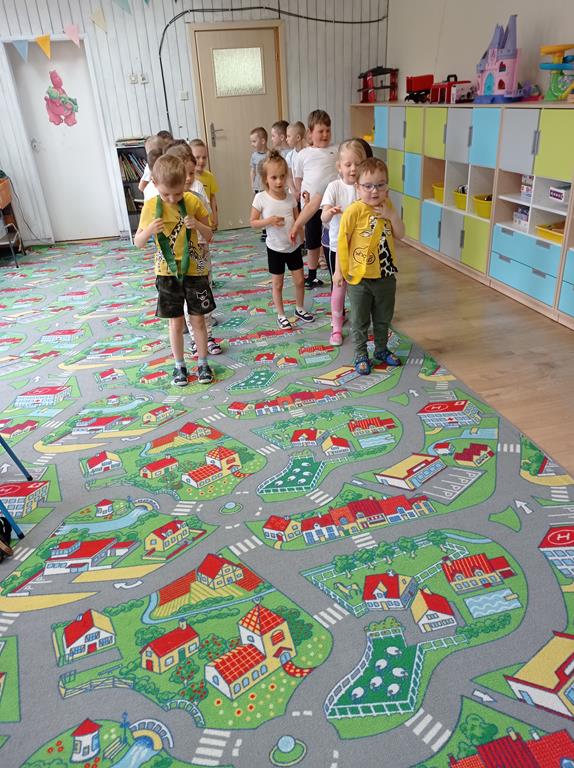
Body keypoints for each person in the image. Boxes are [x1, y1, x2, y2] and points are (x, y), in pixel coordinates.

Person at [134, 154, 215, 386]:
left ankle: (203, 363)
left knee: (198, 321)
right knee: (176, 323)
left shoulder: (192, 201)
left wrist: (197, 225)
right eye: (165, 194)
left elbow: (209, 234)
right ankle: (179, 365)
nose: (172, 199)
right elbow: (138, 242)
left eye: (177, 193)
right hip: (166, 273)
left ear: (185, 184)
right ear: (155, 185)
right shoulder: (151, 206)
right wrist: (149, 230)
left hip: (194, 270)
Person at [335, 157, 405, 375]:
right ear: (357, 187)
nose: (374, 191)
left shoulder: (388, 206)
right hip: (360, 278)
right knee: (359, 320)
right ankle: (360, 353)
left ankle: (381, 350)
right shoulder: (353, 211)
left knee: (383, 318)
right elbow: (342, 242)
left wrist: (391, 216)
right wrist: (338, 271)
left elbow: (400, 234)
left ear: (387, 187)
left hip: (385, 276)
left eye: (380, 185)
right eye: (368, 186)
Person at [164, 145, 222, 357]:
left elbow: (208, 229)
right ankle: (195, 339)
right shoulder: (166, 200)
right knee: (186, 303)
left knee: (203, 296)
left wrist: (200, 229)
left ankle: (207, 335)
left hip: (200, 255)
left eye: (191, 173)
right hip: (179, 260)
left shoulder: (197, 193)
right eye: (185, 174)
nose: (188, 178)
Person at [250, 150, 313, 329]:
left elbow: (298, 220)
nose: (279, 181)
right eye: (274, 177)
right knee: (277, 284)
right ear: (265, 179)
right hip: (275, 248)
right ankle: (281, 314)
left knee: (300, 281)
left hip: (293, 247)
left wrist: (300, 234)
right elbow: (253, 222)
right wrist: (269, 221)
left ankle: (299, 308)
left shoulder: (291, 198)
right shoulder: (261, 198)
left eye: (282, 176)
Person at [321, 138, 367, 346]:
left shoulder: (364, 188)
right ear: (339, 166)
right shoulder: (334, 187)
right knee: (338, 285)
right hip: (337, 248)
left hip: (360, 247)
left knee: (360, 287)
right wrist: (330, 212)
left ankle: (360, 321)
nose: (353, 169)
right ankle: (336, 327)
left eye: (358, 164)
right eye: (348, 164)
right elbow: (323, 217)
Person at [289, 110, 338, 288]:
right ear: (310, 133)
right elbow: (298, 179)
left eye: (328, 130)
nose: (325, 135)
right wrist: (300, 195)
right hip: (310, 205)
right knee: (312, 240)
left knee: (330, 237)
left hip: (331, 204)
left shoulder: (336, 150)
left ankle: (335, 270)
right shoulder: (303, 154)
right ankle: (312, 275)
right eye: (320, 131)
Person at [189, 138, 219, 230]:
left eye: (204, 157)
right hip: (193, 219)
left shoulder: (209, 176)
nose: (201, 161)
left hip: (206, 217)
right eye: (197, 157)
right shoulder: (188, 178)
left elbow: (212, 197)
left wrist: (215, 216)